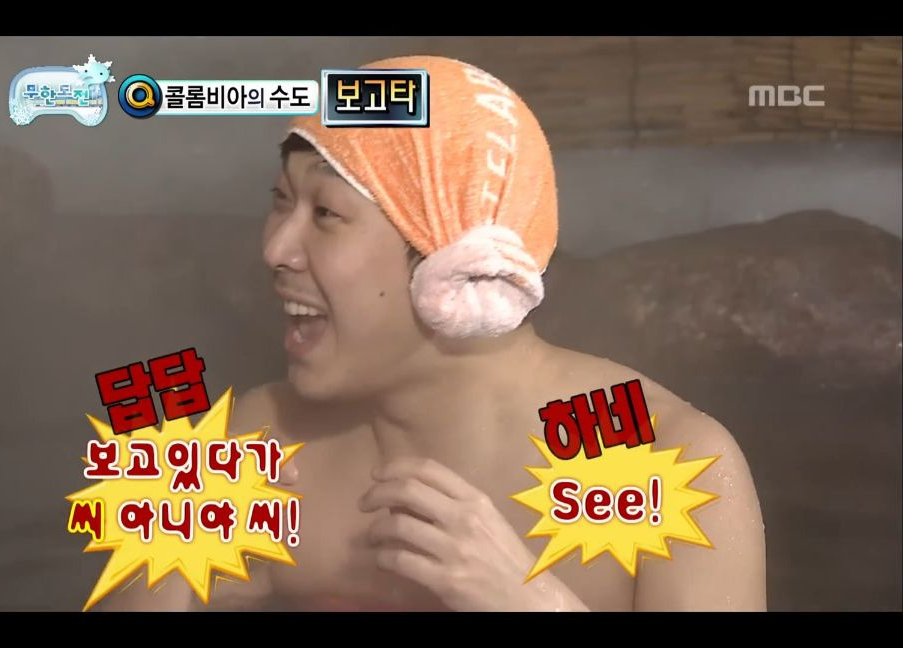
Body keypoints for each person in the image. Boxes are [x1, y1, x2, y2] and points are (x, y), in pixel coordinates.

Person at [99, 55, 766, 612]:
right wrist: (167, 572)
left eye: (325, 213)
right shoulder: (262, 440)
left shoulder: (666, 464)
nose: (275, 249)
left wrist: (530, 603)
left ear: (456, 262)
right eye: (281, 202)